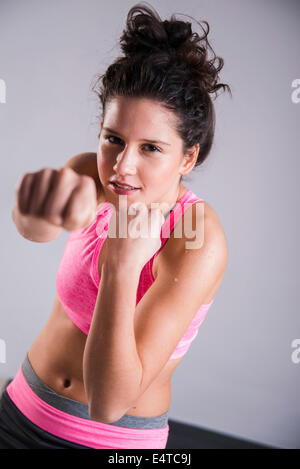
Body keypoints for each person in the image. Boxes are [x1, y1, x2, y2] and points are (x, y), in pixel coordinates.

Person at [0, 3, 230, 449]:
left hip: (109, 443)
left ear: (188, 157)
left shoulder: (198, 239)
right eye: (114, 140)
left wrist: (122, 268)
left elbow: (109, 403)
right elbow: (37, 228)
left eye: (150, 148)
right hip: (18, 410)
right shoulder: (90, 173)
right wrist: (32, 210)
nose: (122, 167)